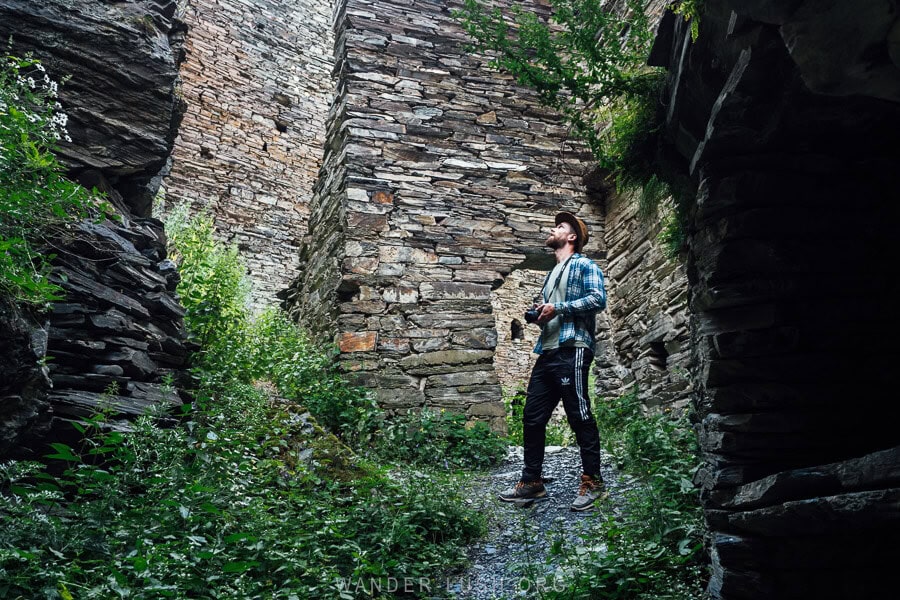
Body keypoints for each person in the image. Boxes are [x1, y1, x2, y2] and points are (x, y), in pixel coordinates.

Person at [499, 211, 608, 511]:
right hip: (547, 351)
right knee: (532, 417)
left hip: (572, 348)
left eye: (559, 227)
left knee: (579, 414)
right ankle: (532, 482)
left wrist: (558, 307)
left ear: (572, 237)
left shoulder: (584, 265)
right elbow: (551, 309)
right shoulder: (551, 275)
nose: (552, 229)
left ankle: (593, 481)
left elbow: (597, 299)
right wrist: (540, 312)